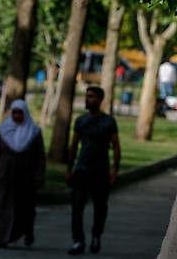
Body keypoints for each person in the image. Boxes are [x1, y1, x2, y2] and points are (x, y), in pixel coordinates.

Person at [0, 99, 46, 248]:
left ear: (25, 114)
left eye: (20, 113)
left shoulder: (34, 132)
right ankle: (0, 238)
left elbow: (40, 157)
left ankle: (26, 231)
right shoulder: (4, 130)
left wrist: (39, 176)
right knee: (1, 206)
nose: (16, 116)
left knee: (24, 208)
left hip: (26, 177)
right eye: (14, 113)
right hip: (5, 175)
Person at [66, 87, 121, 255]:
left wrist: (114, 169)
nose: (87, 99)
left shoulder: (108, 122)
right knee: (77, 206)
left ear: (99, 100)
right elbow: (74, 145)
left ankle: (96, 235)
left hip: (100, 170)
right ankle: (78, 241)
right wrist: (69, 169)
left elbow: (116, 146)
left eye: (91, 97)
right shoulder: (81, 121)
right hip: (82, 169)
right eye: (86, 96)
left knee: (100, 207)